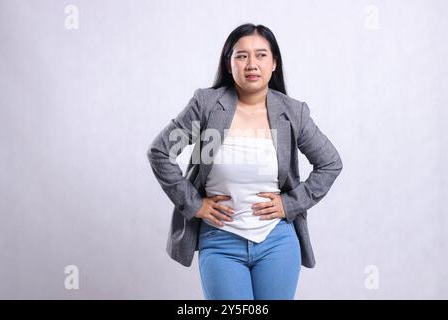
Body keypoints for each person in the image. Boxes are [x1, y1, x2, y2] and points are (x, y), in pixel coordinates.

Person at [147, 23, 343, 300]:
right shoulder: (206, 106)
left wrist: (289, 204)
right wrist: (194, 204)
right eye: (241, 56)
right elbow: (160, 151)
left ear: (274, 63)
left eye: (261, 55)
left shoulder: (292, 112)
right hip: (219, 240)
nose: (252, 64)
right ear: (229, 64)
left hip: (277, 242)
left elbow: (330, 163)